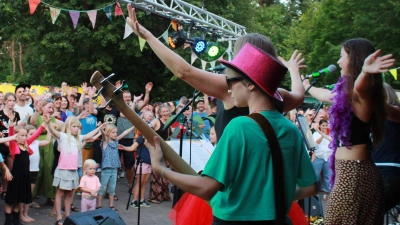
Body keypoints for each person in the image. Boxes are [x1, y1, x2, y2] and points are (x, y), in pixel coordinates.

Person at [147, 43, 317, 224]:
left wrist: (161, 170)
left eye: (231, 82)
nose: (228, 89)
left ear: (251, 84)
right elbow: (310, 187)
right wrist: (272, 198)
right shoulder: (291, 129)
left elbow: (207, 189)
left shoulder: (239, 126)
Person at [126, 5, 305, 143]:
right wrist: (293, 71)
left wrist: (148, 36)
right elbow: (299, 96)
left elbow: (184, 71)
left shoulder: (232, 86)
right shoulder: (278, 96)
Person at [302, 38, 395, 224]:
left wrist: (365, 72)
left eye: (341, 56)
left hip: (354, 175)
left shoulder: (362, 92)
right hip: (353, 173)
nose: (338, 62)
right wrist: (304, 84)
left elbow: (361, 86)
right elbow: (324, 94)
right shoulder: (348, 94)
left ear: (353, 60)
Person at [43, 115, 105, 225]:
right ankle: (58, 217)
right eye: (74, 126)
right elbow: (53, 131)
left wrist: (99, 129)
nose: (76, 128)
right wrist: (48, 123)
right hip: (63, 170)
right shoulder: (62, 136)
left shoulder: (78, 138)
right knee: (60, 193)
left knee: (70, 194)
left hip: (73, 170)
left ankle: (67, 215)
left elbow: (88, 135)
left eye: (78, 126)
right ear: (68, 126)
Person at [4, 112, 45, 225]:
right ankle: (8, 221)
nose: (25, 137)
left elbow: (36, 134)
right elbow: (11, 135)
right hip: (15, 176)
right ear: (16, 137)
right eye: (21, 135)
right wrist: (11, 126)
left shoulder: (26, 145)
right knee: (11, 200)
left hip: (24, 176)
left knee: (19, 199)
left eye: (25, 135)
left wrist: (44, 124)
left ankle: (16, 220)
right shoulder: (14, 146)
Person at [372, 83, 400, 212]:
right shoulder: (374, 118)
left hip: (390, 169)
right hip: (375, 169)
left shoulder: (395, 112)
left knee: (373, 211)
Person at [95, 124, 135, 213]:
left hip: (114, 168)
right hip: (106, 168)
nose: (115, 134)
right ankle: (98, 205)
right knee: (103, 187)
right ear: (108, 133)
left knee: (112, 188)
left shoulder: (116, 141)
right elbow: (103, 134)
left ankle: (111, 205)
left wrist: (133, 126)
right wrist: (101, 129)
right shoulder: (105, 142)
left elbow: (124, 133)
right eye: (113, 132)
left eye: (116, 132)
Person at [19, 125, 51, 222]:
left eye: (35, 134)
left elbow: (47, 141)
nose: (34, 136)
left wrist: (49, 131)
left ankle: (25, 213)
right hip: (26, 171)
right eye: (31, 134)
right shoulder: (25, 144)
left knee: (29, 193)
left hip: (34, 170)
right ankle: (20, 214)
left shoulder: (36, 142)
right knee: (22, 193)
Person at [118, 130, 152, 208]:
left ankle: (142, 200)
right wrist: (124, 148)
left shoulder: (152, 139)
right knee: (139, 182)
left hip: (149, 162)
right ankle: (134, 200)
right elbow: (132, 148)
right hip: (142, 161)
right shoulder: (140, 139)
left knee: (145, 182)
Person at [0, 93, 21, 200]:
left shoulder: (16, 114)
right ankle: (4, 189)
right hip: (2, 144)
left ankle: (9, 189)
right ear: (5, 101)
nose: (12, 103)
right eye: (9, 100)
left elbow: (16, 130)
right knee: (4, 168)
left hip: (12, 144)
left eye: (13, 100)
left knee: (11, 168)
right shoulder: (0, 114)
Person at [311, 119, 332, 200]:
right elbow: (316, 142)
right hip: (319, 157)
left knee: (328, 175)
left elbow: (332, 142)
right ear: (319, 126)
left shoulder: (330, 134)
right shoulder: (316, 134)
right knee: (316, 175)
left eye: (326, 125)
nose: (325, 127)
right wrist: (322, 135)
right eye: (323, 125)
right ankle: (316, 190)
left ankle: (326, 192)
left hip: (328, 157)